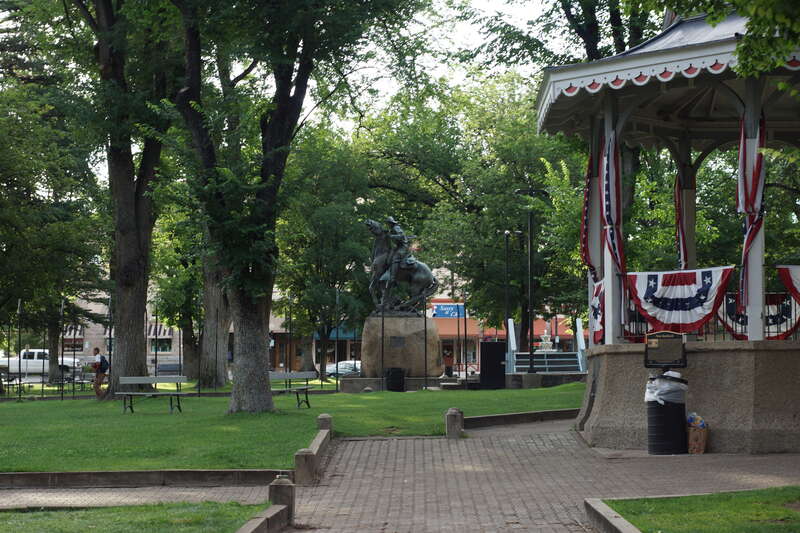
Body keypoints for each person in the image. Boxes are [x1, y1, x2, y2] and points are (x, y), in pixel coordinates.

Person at [385, 216, 410, 286]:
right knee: (389, 256)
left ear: (391, 223)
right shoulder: (392, 229)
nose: (388, 225)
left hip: (403, 247)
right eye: (387, 223)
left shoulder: (396, 228)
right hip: (398, 246)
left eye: (388, 223)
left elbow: (401, 236)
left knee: (395, 257)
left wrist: (392, 236)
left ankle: (393, 278)